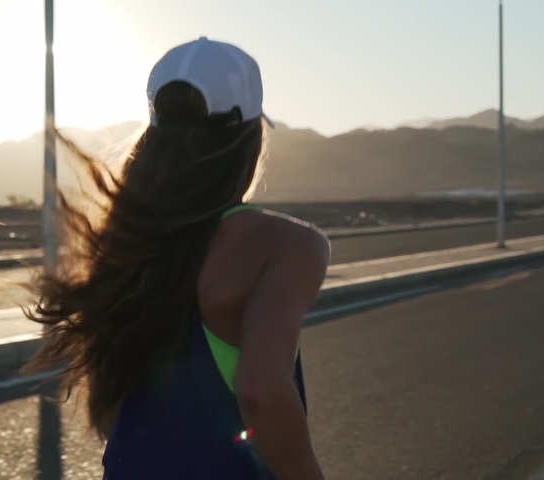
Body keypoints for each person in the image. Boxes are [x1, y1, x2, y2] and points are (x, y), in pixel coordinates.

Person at [23, 37, 330, 480]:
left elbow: (110, 414)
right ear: (252, 137)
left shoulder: (129, 249)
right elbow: (260, 389)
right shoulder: (289, 246)